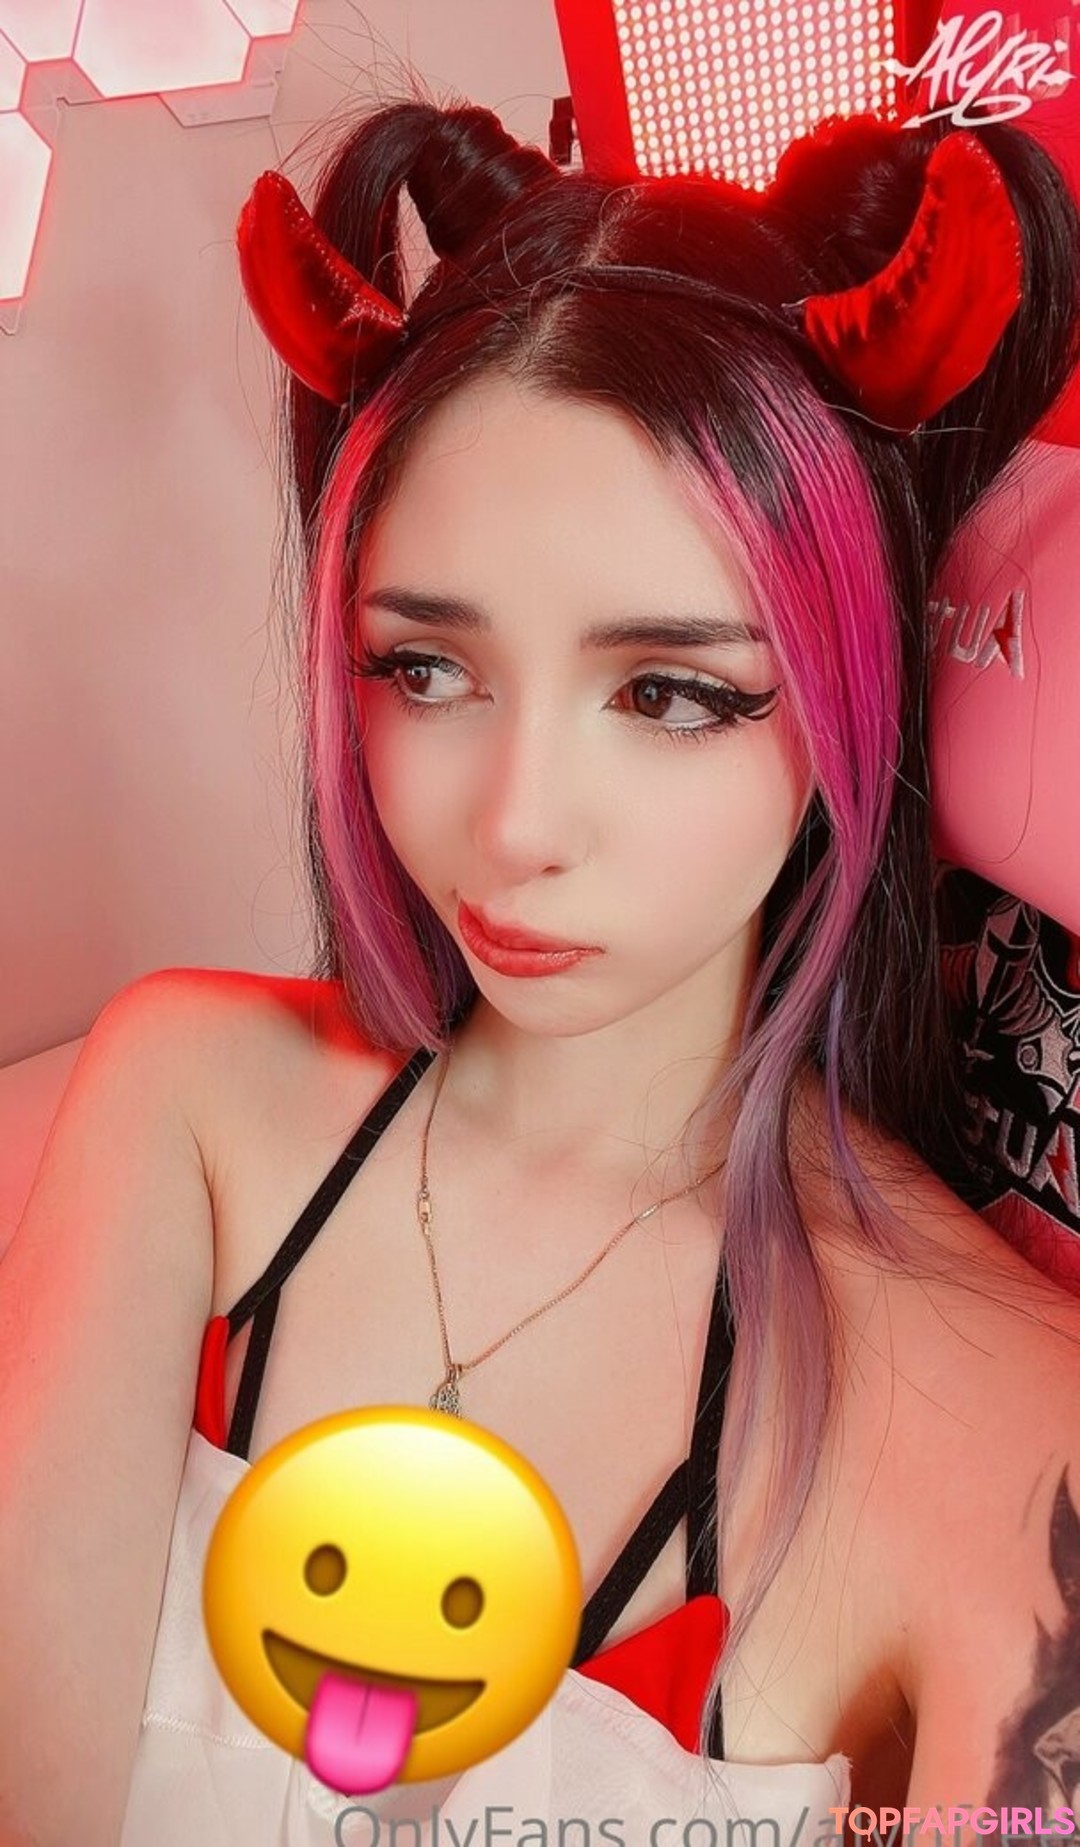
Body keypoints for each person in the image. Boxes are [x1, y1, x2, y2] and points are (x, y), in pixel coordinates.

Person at [2, 93, 1080, 1847]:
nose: (513, 826)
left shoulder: (1008, 1427)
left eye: (668, 693)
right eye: (425, 669)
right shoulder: (185, 1102)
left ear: (845, 696)